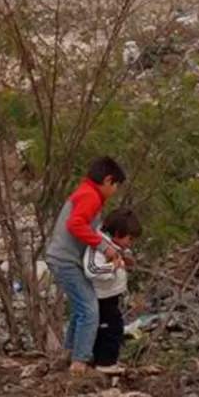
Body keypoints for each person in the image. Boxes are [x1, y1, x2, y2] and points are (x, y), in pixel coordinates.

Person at [44, 157, 125, 374]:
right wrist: (104, 248)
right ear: (108, 180)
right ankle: (79, 362)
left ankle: (70, 353)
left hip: (65, 259)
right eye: (116, 185)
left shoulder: (85, 192)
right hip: (66, 261)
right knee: (89, 309)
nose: (115, 191)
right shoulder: (91, 196)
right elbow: (76, 224)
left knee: (81, 309)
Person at [84, 209, 141, 370]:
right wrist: (112, 267)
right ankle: (105, 362)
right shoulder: (98, 246)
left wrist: (127, 258)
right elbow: (92, 269)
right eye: (130, 239)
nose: (131, 243)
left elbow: (123, 251)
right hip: (102, 297)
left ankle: (107, 360)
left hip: (112, 295)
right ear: (117, 233)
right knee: (109, 329)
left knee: (114, 327)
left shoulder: (116, 245)